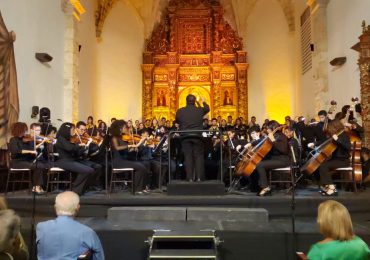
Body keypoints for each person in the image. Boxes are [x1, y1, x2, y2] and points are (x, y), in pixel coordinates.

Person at [36, 191, 104, 260]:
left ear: (55, 208)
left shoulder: (41, 228)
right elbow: (99, 256)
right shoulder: (87, 232)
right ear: (78, 208)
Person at [54, 123, 96, 195]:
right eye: (73, 129)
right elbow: (70, 148)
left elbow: (75, 152)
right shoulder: (60, 139)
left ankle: (80, 189)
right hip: (63, 161)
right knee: (87, 170)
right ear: (67, 130)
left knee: (91, 169)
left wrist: (84, 148)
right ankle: (74, 189)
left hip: (71, 160)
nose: (74, 131)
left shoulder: (67, 139)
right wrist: (79, 145)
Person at [176, 94, 210, 181]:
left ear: (186, 101)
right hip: (197, 136)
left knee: (188, 157)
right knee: (198, 156)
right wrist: (203, 101)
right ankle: (199, 178)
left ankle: (190, 178)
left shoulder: (180, 111)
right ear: (194, 101)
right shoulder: (199, 110)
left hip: (185, 136)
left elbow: (177, 120)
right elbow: (207, 109)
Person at [8, 122, 49, 194]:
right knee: (38, 166)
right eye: (25, 130)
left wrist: (41, 143)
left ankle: (38, 186)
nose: (26, 132)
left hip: (26, 161)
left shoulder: (25, 139)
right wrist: (30, 151)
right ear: (19, 130)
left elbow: (32, 148)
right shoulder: (13, 140)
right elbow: (15, 151)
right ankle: (36, 187)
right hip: (17, 162)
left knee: (41, 164)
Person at [255, 120, 290, 196]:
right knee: (257, 163)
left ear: (273, 127)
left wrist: (273, 140)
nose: (267, 130)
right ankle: (259, 185)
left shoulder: (282, 136)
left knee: (260, 165)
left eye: (268, 128)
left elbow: (283, 150)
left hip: (283, 160)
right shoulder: (273, 136)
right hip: (274, 159)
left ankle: (265, 187)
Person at [317, 119, 351, 196]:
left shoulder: (344, 135)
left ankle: (332, 188)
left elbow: (348, 147)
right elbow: (325, 141)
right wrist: (315, 144)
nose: (329, 130)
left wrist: (338, 140)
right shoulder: (336, 135)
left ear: (335, 127)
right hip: (336, 160)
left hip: (343, 161)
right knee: (321, 164)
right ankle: (326, 186)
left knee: (324, 166)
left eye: (330, 128)